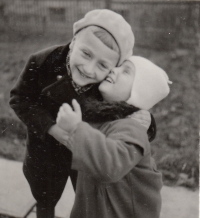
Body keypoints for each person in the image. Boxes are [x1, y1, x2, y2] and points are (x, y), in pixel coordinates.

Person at [9, 9, 150, 218]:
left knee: (87, 200)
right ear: (74, 41)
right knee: (44, 195)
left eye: (103, 65)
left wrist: (146, 121)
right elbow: (20, 99)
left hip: (85, 151)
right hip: (44, 149)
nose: (89, 68)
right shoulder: (42, 62)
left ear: (113, 69)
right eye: (86, 53)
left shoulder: (110, 82)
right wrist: (52, 128)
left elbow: (129, 105)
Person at [56, 56, 172, 218]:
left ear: (137, 93)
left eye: (125, 71)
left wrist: (76, 129)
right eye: (118, 66)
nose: (114, 70)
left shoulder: (132, 128)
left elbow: (110, 166)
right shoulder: (102, 116)